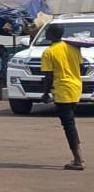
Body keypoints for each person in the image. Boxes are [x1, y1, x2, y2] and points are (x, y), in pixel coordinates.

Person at [39, 23, 84, 170]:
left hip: (62, 90)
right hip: (76, 88)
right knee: (70, 123)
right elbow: (81, 66)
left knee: (69, 125)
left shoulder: (49, 52)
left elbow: (48, 75)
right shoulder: (73, 48)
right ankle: (77, 157)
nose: (45, 33)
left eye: (47, 31)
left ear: (52, 34)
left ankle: (78, 160)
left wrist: (46, 93)